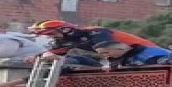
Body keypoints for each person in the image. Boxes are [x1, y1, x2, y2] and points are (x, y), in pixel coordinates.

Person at [28, 20, 157, 66]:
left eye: (51, 34)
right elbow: (54, 53)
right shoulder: (66, 40)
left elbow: (109, 50)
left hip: (147, 51)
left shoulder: (95, 31)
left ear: (66, 30)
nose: (51, 37)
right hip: (127, 57)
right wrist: (38, 57)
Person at [93, 41, 170, 67]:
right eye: (102, 54)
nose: (105, 55)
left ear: (119, 48)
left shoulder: (152, 51)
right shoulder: (115, 60)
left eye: (106, 52)